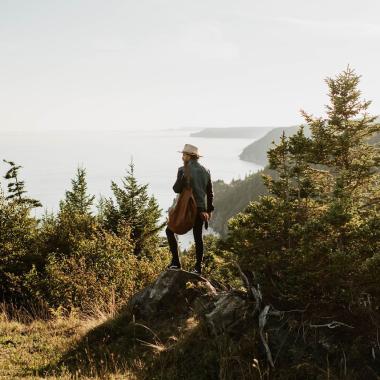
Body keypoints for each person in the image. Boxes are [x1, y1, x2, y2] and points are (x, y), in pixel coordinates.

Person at [166, 143, 214, 275]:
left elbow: (176, 189)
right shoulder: (206, 171)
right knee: (198, 237)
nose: (182, 157)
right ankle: (198, 268)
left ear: (189, 156)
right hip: (201, 210)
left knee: (170, 230)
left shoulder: (183, 170)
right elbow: (210, 194)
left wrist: (182, 177)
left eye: (183, 154)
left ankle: (176, 262)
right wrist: (209, 211)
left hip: (187, 209)